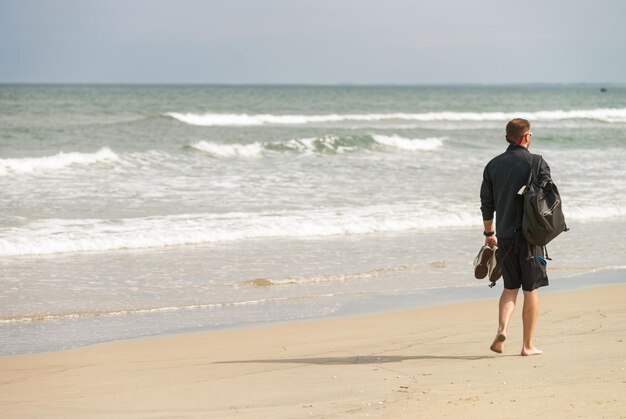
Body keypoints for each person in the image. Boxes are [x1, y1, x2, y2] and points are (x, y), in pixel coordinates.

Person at [479, 118, 551, 356]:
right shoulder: (537, 162)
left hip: (505, 235)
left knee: (510, 287)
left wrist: (489, 234)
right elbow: (548, 199)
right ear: (526, 137)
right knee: (531, 290)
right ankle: (527, 345)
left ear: (507, 137)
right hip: (531, 237)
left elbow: (487, 204)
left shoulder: (492, 165)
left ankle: (502, 329)